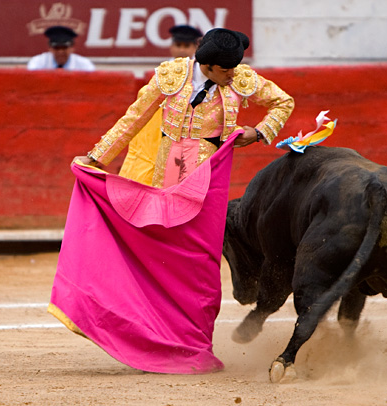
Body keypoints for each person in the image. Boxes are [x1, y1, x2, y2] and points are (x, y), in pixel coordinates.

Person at [48, 28, 294, 374]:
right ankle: (154, 335)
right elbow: (133, 119)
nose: (232, 76)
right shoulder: (170, 75)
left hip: (207, 178)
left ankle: (193, 344)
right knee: (159, 253)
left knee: (201, 262)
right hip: (168, 171)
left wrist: (259, 132)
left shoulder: (240, 79)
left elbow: (284, 102)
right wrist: (96, 158)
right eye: (226, 71)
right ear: (207, 65)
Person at [118, 24, 203, 183]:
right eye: (179, 45)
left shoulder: (201, 73)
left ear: (195, 47)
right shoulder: (162, 72)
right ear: (172, 47)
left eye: (187, 46)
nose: (182, 50)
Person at [27, 25, 95, 71]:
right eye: (56, 48)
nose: (60, 52)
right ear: (50, 48)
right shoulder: (38, 62)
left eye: (64, 48)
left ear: (72, 48)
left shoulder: (84, 65)